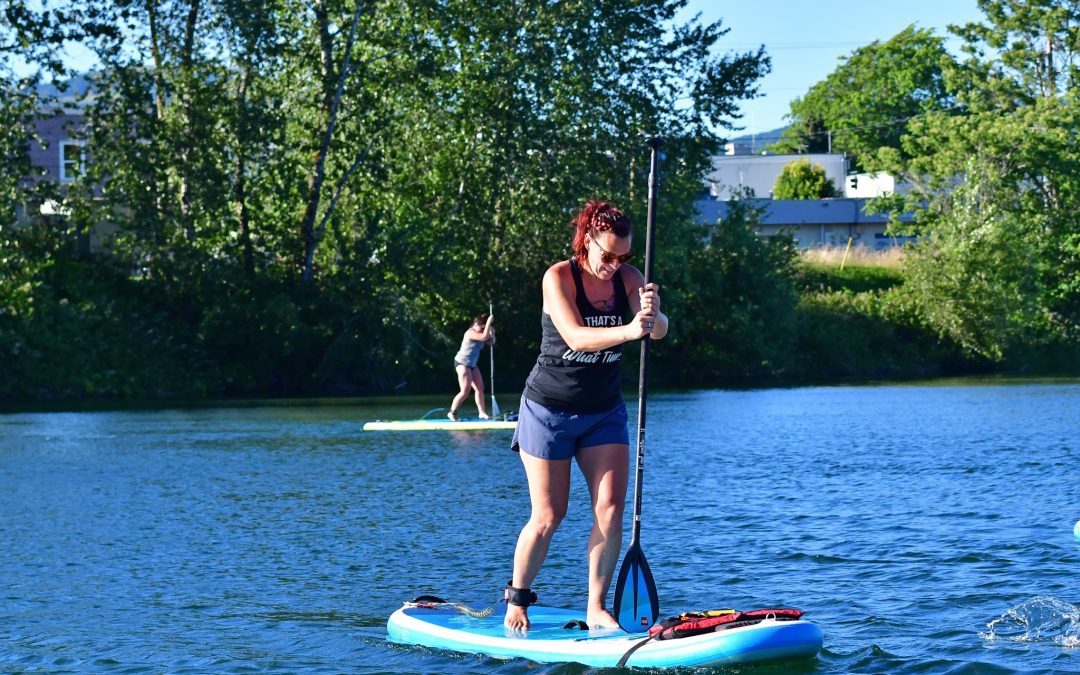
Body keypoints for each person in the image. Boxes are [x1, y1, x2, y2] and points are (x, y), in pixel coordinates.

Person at [504, 199, 668, 631]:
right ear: (587, 240)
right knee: (549, 515)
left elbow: (660, 329)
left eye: (624, 257)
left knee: (611, 510)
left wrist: (654, 315)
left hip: (603, 412)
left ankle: (596, 607)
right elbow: (575, 337)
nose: (616, 265)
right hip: (548, 410)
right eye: (608, 255)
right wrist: (633, 330)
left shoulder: (629, 279)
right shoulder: (558, 277)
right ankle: (517, 599)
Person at [448, 312, 495, 421]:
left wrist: (493, 332)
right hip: (462, 363)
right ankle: (452, 412)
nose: (482, 329)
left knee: (480, 388)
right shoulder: (470, 332)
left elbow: (491, 342)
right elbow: (484, 337)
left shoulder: (484, 332)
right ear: (477, 324)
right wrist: (488, 323)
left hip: (472, 365)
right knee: (465, 391)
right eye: (481, 327)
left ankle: (482, 413)